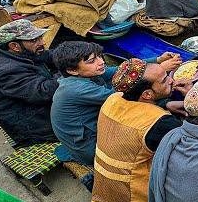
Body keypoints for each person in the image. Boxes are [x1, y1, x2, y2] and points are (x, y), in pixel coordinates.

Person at [50, 41, 182, 166]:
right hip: (90, 147)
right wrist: (158, 71)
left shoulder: (86, 73)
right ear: (72, 70)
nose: (101, 62)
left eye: (99, 57)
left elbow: (119, 71)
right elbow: (125, 95)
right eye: (92, 61)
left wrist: (157, 60)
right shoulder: (75, 89)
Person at [90, 58, 191, 202]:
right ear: (147, 94)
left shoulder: (113, 99)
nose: (172, 80)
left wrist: (166, 105)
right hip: (136, 199)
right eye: (165, 80)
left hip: (105, 187)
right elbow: (194, 145)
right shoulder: (159, 123)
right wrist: (193, 99)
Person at [0, 20, 58, 147]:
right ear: (14, 46)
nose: (42, 42)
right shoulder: (5, 70)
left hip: (41, 111)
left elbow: (50, 55)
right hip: (35, 128)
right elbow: (43, 91)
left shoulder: (21, 52)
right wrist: (75, 70)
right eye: (34, 40)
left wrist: (76, 55)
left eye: (40, 37)